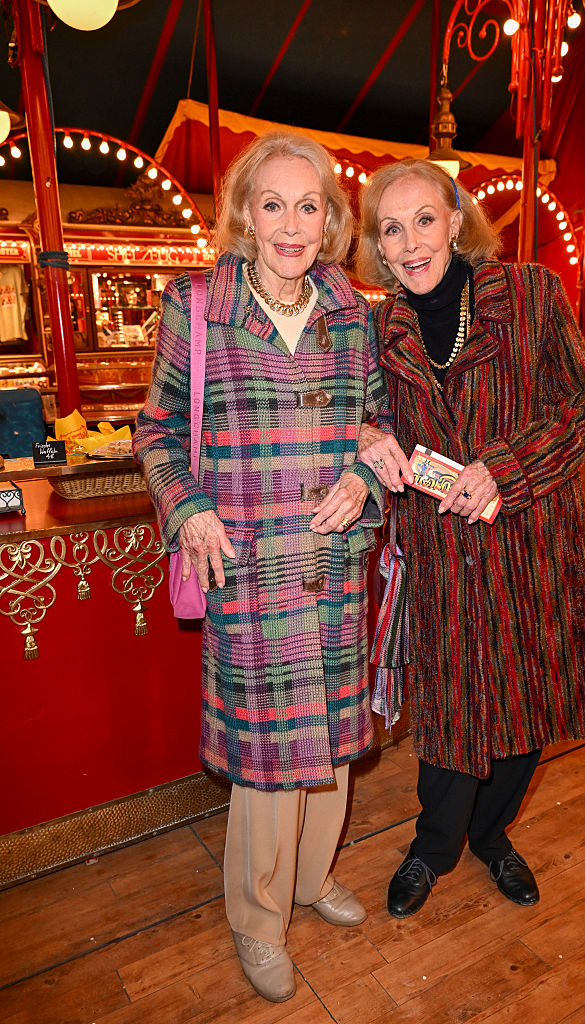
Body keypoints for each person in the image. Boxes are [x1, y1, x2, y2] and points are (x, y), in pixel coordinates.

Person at [133, 131, 393, 1003]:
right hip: (245, 569)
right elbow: (157, 430)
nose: (291, 224)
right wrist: (189, 505)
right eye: (272, 204)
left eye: (308, 206)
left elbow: (382, 427)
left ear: (331, 222)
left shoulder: (356, 312)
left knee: (331, 748)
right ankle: (256, 916)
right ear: (244, 214)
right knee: (267, 760)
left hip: (332, 564)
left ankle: (311, 880)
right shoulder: (196, 305)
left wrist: (364, 478)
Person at [355, 158, 585, 920]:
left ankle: (493, 835)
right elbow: (366, 417)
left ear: (456, 220)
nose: (409, 242)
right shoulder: (377, 328)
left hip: (529, 545)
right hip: (439, 555)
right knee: (447, 711)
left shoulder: (530, 295)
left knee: (525, 702)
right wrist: (368, 435)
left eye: (423, 220)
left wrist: (504, 468)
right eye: (391, 228)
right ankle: (432, 847)